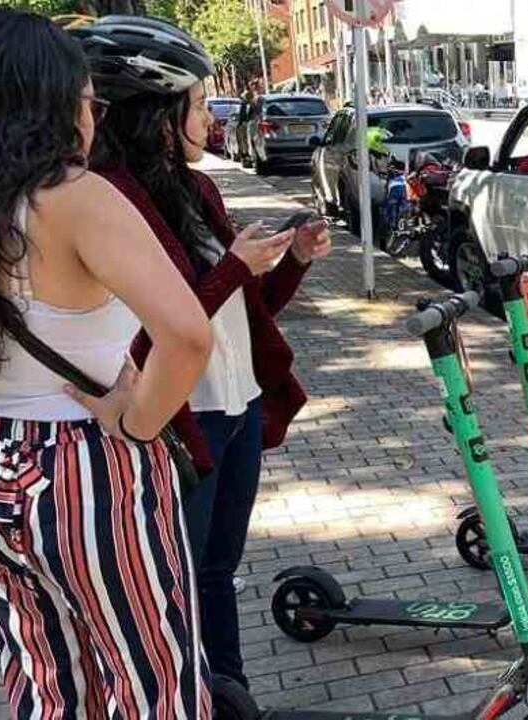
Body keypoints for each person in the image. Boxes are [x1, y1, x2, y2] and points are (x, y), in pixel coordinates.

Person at [0, 8, 214, 717]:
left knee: (48, 684)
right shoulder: (76, 199)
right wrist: (137, 425)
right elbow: (188, 336)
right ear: (54, 101)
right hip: (86, 468)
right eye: (86, 99)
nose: (92, 116)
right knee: (150, 682)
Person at [70, 15, 332, 690]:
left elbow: (244, 313)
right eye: (196, 104)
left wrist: (292, 261)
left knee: (216, 569)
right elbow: (154, 330)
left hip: (237, 406)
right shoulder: (111, 203)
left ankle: (230, 692)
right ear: (157, 114)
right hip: (185, 419)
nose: (210, 120)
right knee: (176, 576)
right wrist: (236, 267)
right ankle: (189, 693)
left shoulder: (197, 190)